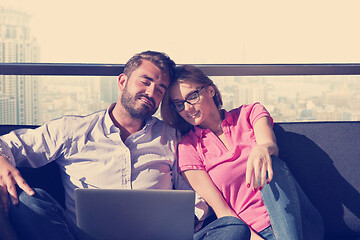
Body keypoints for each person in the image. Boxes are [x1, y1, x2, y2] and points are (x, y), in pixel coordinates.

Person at [0, 51, 249, 240]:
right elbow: (8, 144)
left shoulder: (171, 137)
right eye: (145, 81)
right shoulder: (72, 130)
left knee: (233, 228)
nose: (152, 92)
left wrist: (184, 223)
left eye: (160, 88)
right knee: (28, 201)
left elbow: (193, 198)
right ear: (122, 81)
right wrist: (2, 162)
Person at [161, 65, 324, 240]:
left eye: (192, 97)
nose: (187, 108)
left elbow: (270, 145)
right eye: (179, 104)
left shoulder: (249, 113)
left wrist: (263, 148)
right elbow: (223, 212)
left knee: (270, 161)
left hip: (300, 223)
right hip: (255, 235)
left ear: (210, 90)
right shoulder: (188, 148)